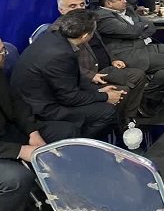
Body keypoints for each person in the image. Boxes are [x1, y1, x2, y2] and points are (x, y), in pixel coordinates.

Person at [0, 30, 77, 211]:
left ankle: (63, 194)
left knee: (66, 133)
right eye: (1, 52)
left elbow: (16, 103)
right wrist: (20, 151)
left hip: (6, 134)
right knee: (16, 179)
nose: (6, 54)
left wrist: (32, 132)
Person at [12, 10, 125, 138]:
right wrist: (105, 96)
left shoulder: (55, 37)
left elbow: (69, 78)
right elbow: (69, 98)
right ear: (85, 36)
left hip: (47, 95)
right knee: (108, 112)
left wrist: (97, 91)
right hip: (43, 109)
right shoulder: (61, 54)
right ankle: (80, 143)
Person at [57, 0, 149, 121]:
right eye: (73, 6)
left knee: (138, 75)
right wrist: (90, 75)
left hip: (104, 67)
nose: (79, 9)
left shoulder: (88, 21)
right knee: (123, 90)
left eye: (82, 5)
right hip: (86, 76)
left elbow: (101, 44)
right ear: (61, 10)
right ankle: (117, 122)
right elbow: (63, 66)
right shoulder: (59, 31)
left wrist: (113, 59)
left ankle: (129, 117)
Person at [95, 0, 164, 97]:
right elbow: (131, 32)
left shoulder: (128, 9)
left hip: (145, 45)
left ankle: (163, 89)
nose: (125, 1)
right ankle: (147, 93)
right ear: (109, 3)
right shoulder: (103, 17)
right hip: (128, 53)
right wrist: (139, 29)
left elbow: (150, 26)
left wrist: (138, 32)